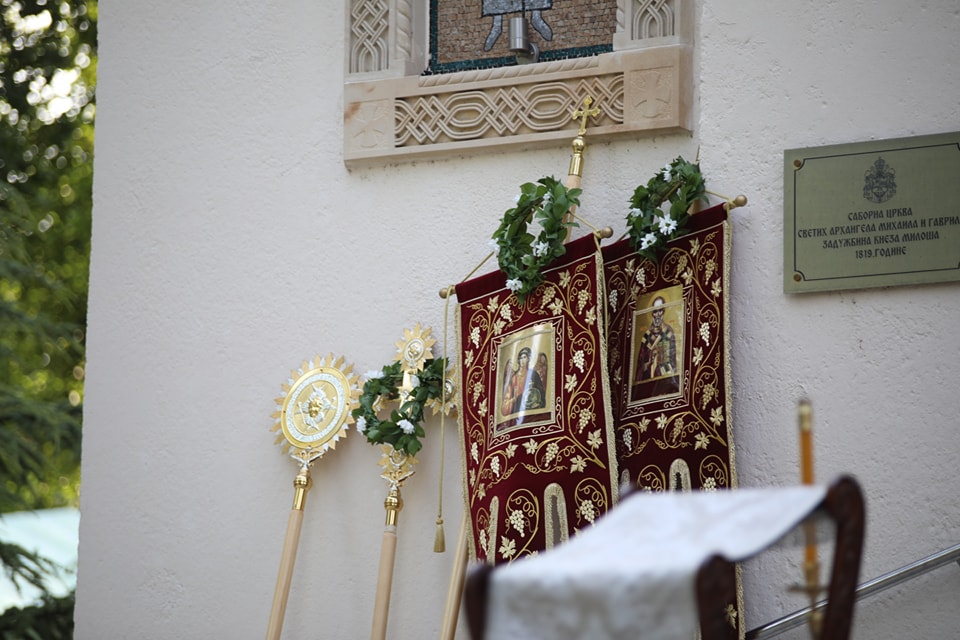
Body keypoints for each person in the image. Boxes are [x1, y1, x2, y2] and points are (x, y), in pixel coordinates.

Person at [635, 296, 677, 383]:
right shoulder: (647, 336)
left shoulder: (668, 333)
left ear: (663, 312)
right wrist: (648, 363)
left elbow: (672, 361)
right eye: (655, 311)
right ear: (652, 314)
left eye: (660, 311)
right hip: (648, 379)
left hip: (665, 379)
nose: (657, 315)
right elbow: (640, 364)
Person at [501, 346, 545, 416]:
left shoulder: (533, 374)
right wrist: (514, 399)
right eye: (521, 358)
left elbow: (541, 393)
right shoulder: (513, 378)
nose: (522, 360)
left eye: (524, 357)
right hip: (517, 411)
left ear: (528, 359)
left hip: (531, 409)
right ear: (518, 360)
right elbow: (505, 403)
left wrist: (538, 403)